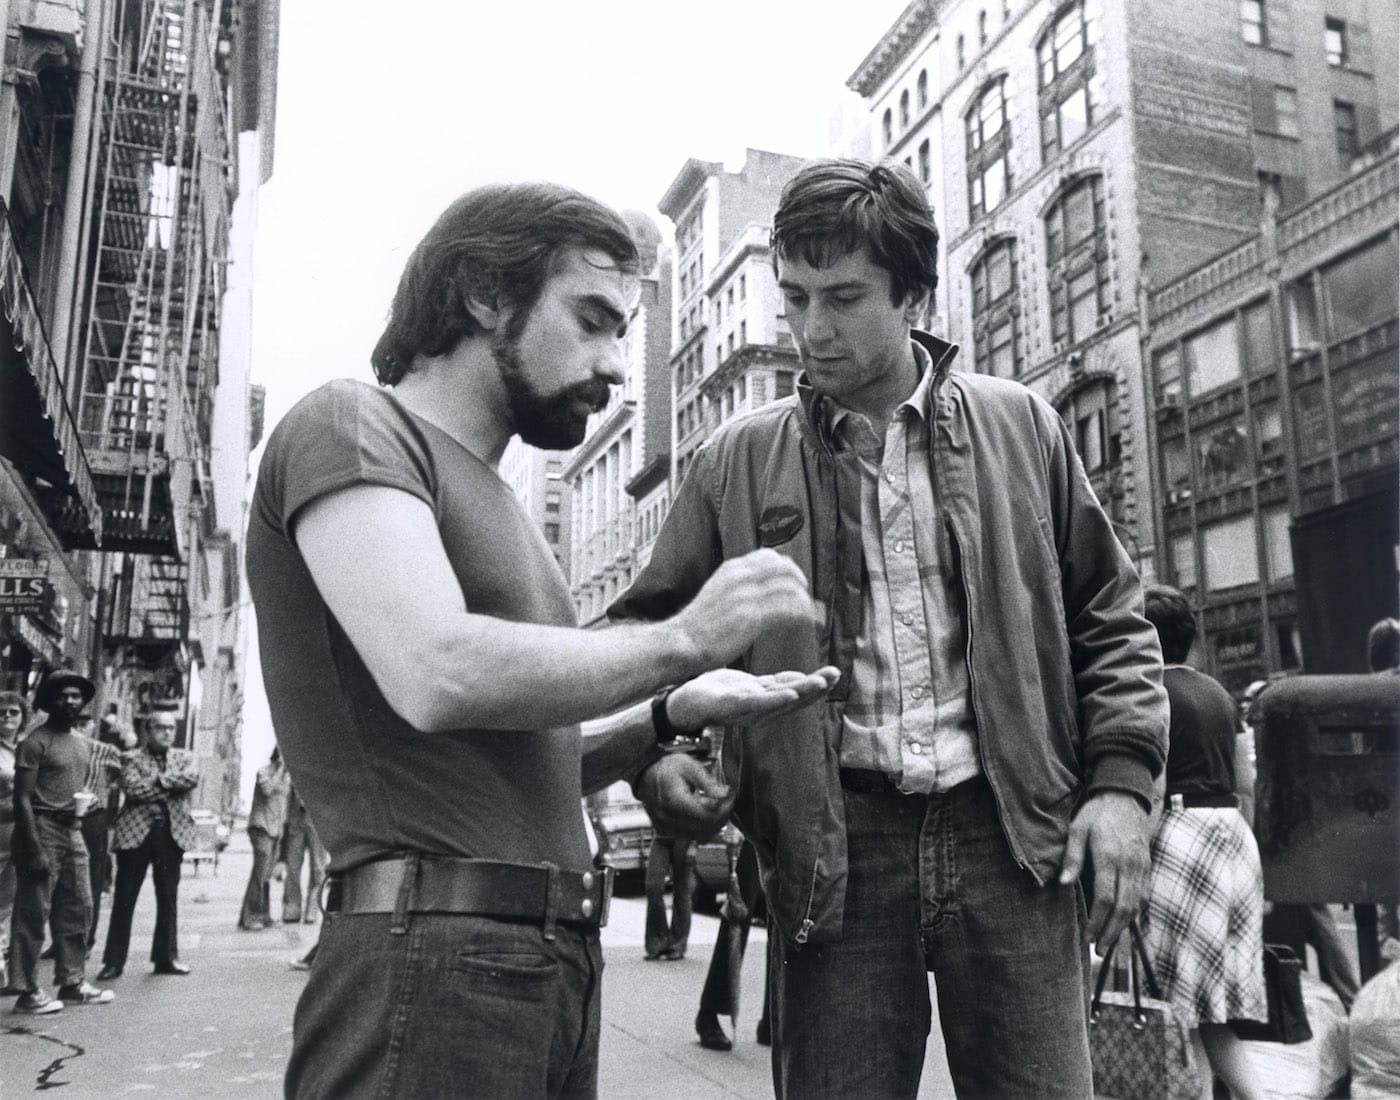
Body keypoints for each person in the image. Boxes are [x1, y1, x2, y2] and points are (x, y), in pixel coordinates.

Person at [245, 181, 837, 1099]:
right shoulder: (353, 424)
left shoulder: (507, 510)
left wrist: (664, 722)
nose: (611, 365)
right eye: (592, 320)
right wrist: (687, 638)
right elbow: (435, 670)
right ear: (486, 293)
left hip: (543, 959)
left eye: (623, 335)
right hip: (430, 954)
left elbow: (523, 754)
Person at [610, 158, 1169, 1099]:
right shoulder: (735, 461)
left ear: (913, 292)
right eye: (793, 297)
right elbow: (641, 633)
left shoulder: (1023, 426)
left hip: (1014, 837)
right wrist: (653, 749)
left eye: (843, 296)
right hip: (836, 854)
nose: (810, 329)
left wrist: (1120, 787)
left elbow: (1110, 618)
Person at [1140, 584, 1266, 1100]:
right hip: (1233, 839)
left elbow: (1154, 784)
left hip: (1179, 836)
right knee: (1211, 1007)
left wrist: (1131, 863)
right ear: (1190, 639)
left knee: (1181, 1007)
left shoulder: (1150, 693)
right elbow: (1246, 783)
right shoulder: (1219, 694)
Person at [9, 671, 114, 1013]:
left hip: (73, 829)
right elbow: (22, 799)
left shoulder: (81, 744)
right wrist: (34, 846)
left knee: (79, 906)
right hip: (41, 828)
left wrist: (87, 804)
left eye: (76, 696)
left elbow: (74, 787)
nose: (70, 701)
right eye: (62, 695)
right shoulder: (35, 742)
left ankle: (72, 981)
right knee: (32, 912)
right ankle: (27, 992)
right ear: (48, 700)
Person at [96, 707, 199, 979]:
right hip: (135, 835)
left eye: (170, 728)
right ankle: (114, 961)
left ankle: (166, 958)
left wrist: (155, 781)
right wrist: (169, 786)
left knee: (168, 898)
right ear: (147, 731)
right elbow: (133, 789)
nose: (167, 733)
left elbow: (191, 779)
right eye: (160, 728)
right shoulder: (129, 757)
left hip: (171, 834)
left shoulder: (185, 757)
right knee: (124, 898)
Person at [694, 832, 773, 1052]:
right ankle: (709, 1012)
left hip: (781, 821)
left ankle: (773, 1020)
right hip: (751, 825)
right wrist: (733, 823)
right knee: (737, 916)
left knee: (781, 918)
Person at [78, 717, 123, 951]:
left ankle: (86, 938)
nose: (79, 728)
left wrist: (102, 793)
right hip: (60, 816)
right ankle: (60, 941)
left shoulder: (105, 751)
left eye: (83, 724)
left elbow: (119, 776)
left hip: (93, 817)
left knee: (91, 880)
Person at [239, 747, 290, 930]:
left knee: (265, 876)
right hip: (261, 828)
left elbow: (283, 806)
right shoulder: (264, 772)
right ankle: (250, 917)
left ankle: (263, 915)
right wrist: (280, 770)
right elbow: (267, 790)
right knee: (260, 874)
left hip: (275, 831)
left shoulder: (287, 778)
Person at [0, 690, 29, 994]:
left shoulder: (24, 748)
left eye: (13, 712)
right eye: (2, 712)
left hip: (19, 835)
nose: (7, 717)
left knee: (7, 902)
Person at [643, 832, 694, 961]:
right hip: (661, 836)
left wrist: (694, 844)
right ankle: (658, 942)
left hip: (685, 837)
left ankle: (677, 944)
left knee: (682, 890)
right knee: (653, 887)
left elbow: (698, 813)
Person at [281, 787, 327, 924]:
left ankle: (312, 911)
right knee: (293, 868)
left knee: (318, 869)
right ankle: (292, 909)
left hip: (318, 819)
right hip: (296, 819)